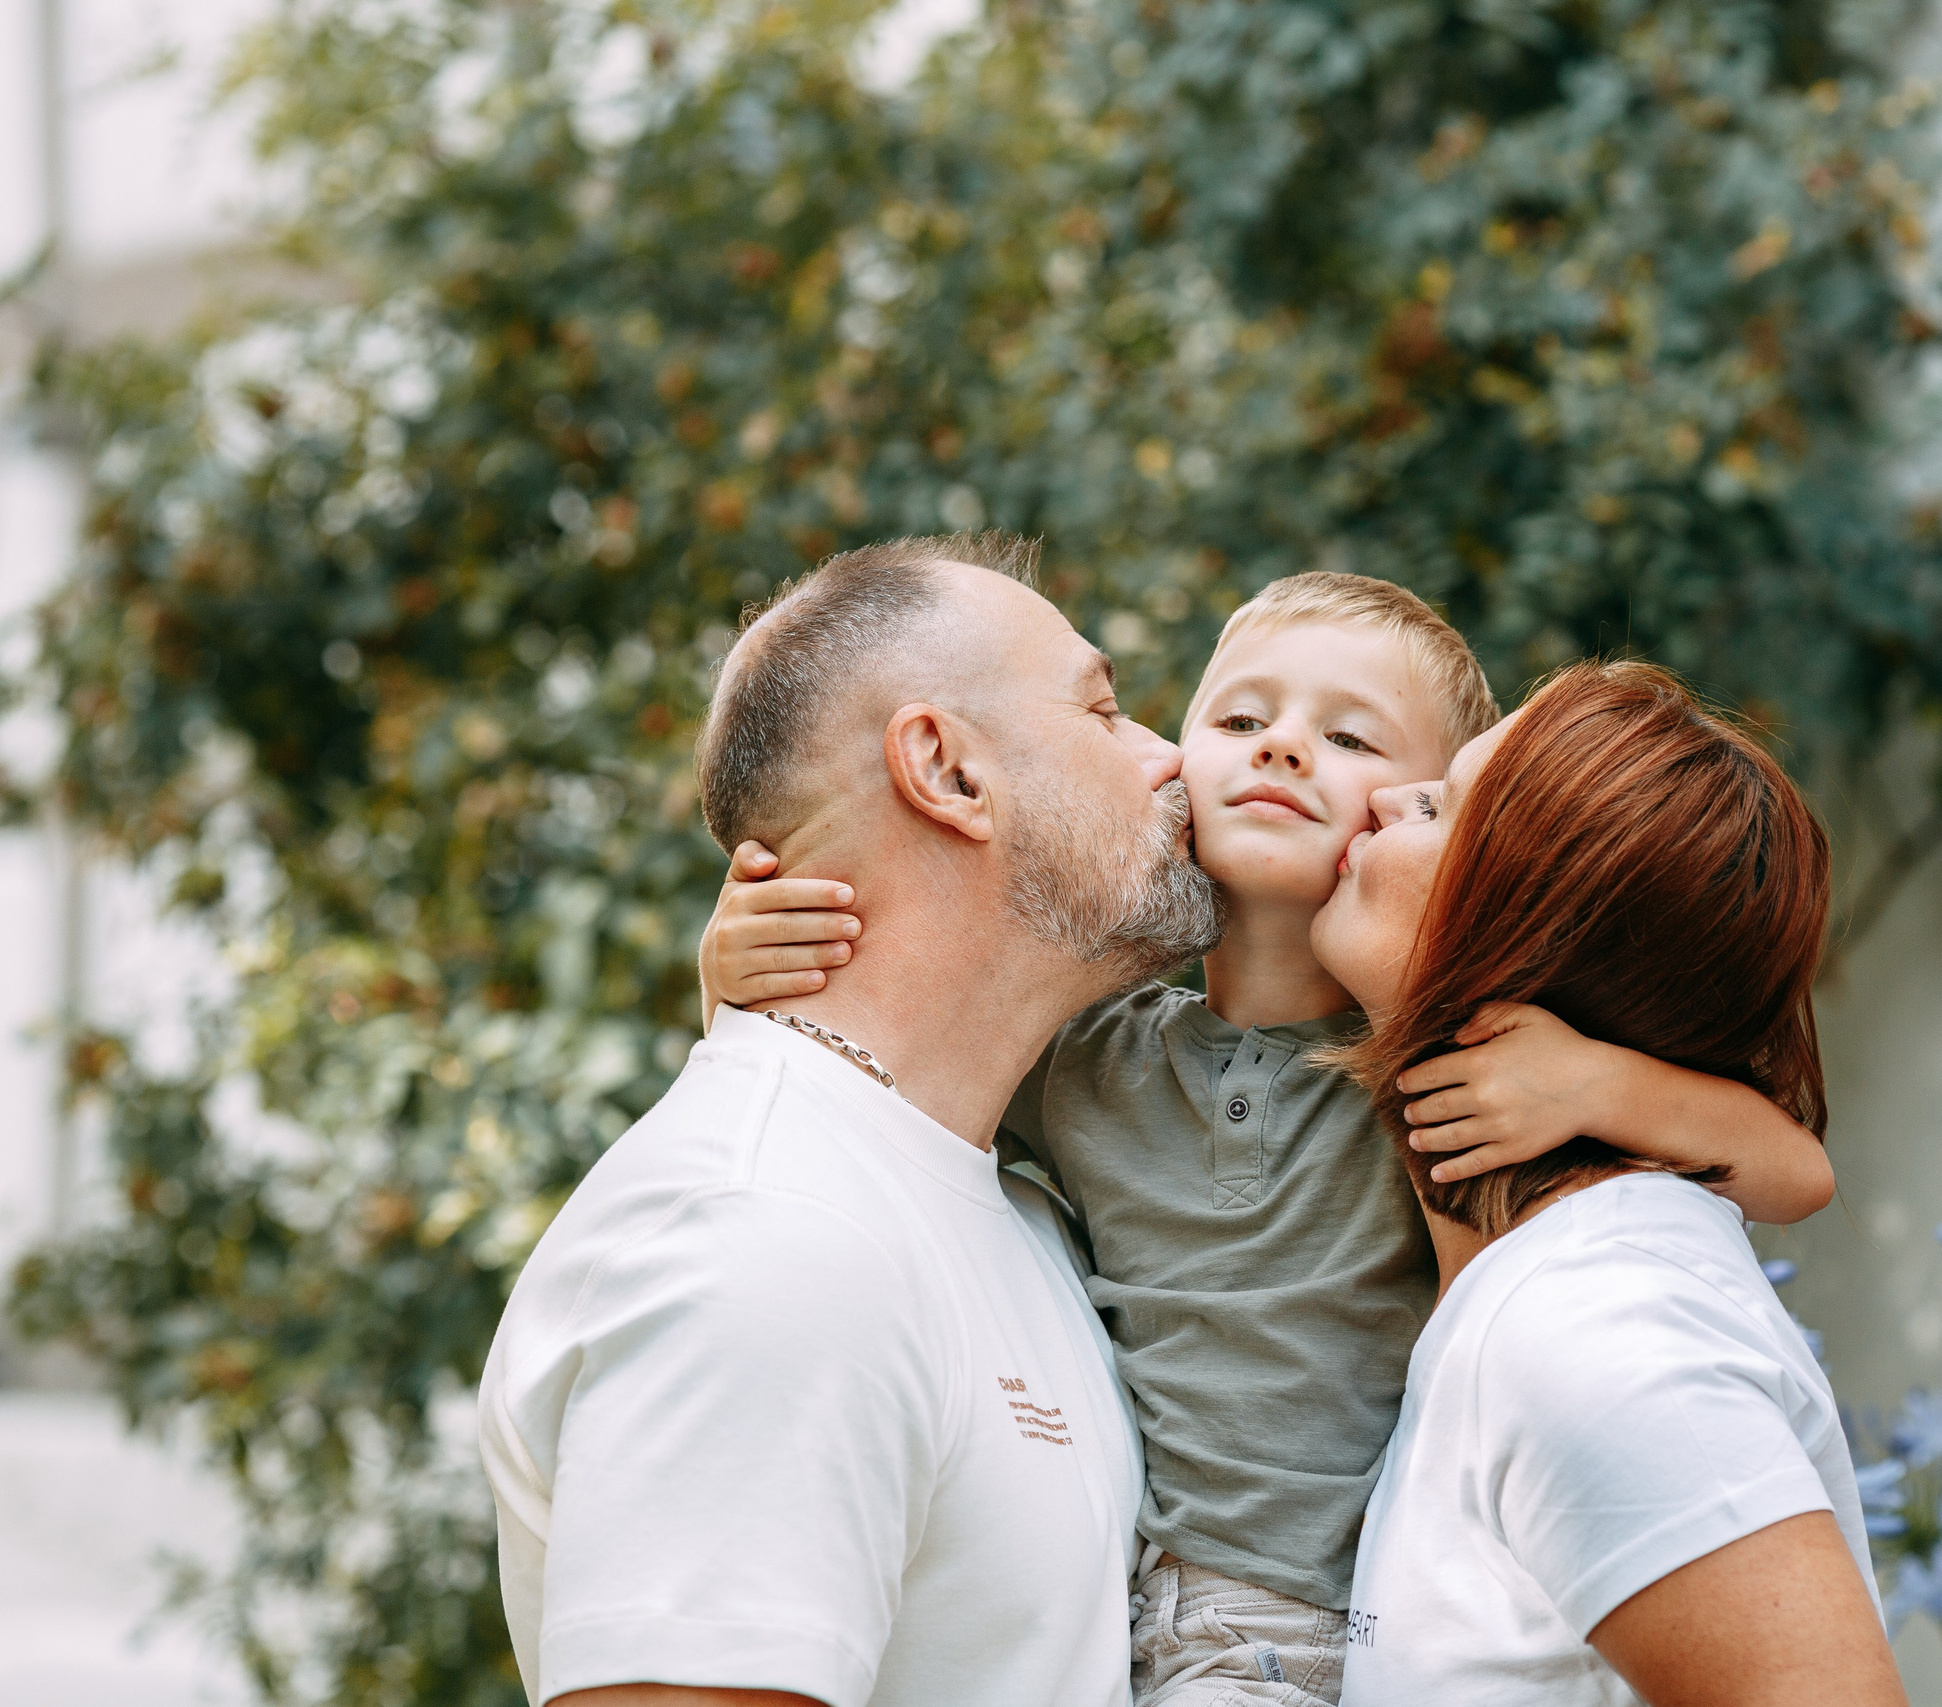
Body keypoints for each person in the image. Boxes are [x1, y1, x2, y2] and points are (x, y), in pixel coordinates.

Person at [700, 572, 1839, 1706]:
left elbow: (1795, 1170)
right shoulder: (1091, 1050)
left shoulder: (1427, 1070)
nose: (1283, 750)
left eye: (1353, 741)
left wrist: (1596, 1081)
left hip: (1300, 1628)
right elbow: (870, 1093)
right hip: (1116, 1609)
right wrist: (741, 979)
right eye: (1241, 721)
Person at [476, 533, 1224, 1707]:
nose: (1171, 756)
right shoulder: (763, 1237)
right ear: (948, 771)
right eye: (1105, 708)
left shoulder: (1005, 1198)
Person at [1315, 659, 1903, 1707]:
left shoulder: (1593, 1324)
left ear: (1524, 927)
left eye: (1439, 805)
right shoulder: (1519, 1300)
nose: (1378, 795)